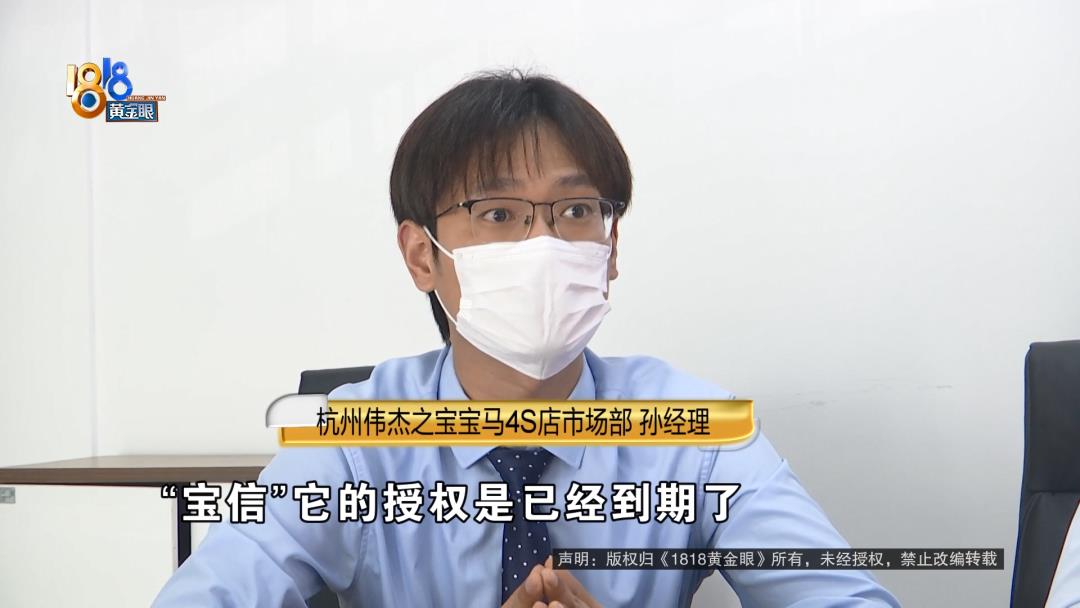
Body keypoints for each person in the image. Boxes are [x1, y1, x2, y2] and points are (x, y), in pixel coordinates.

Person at [153, 69, 900, 608]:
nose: (545, 243)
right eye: (499, 213)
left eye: (576, 211)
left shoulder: (697, 435)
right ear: (421, 255)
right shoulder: (355, 442)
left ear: (609, 249)